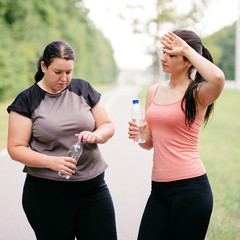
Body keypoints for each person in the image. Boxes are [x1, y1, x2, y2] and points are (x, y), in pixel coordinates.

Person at [7, 40, 117, 240]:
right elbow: (15, 148)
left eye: (69, 72)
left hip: (93, 190)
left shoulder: (83, 88)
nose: (64, 78)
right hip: (47, 196)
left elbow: (107, 125)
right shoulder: (26, 100)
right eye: (58, 72)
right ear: (43, 66)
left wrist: (98, 135)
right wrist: (51, 162)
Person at [128, 30, 225, 240]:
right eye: (163, 52)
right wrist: (141, 134)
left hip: (191, 190)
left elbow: (217, 77)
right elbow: (149, 143)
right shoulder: (153, 91)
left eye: (171, 55)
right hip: (159, 190)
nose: (163, 58)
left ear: (188, 60)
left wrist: (186, 49)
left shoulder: (198, 93)